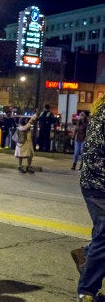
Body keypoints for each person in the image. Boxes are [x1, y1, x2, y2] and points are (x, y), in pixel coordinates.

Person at [75, 96, 105, 302]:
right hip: (97, 185)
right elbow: (94, 157)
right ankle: (86, 292)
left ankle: (86, 255)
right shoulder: (103, 114)